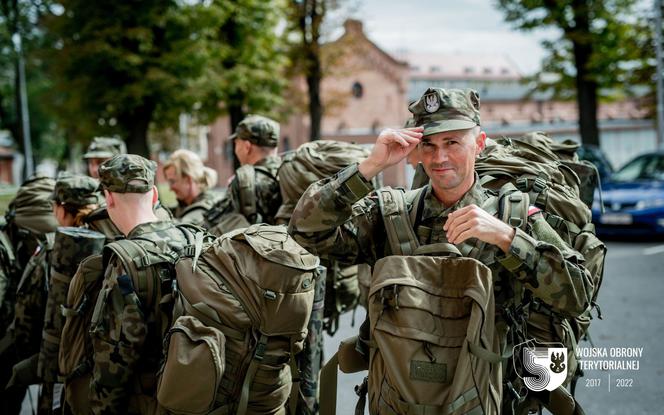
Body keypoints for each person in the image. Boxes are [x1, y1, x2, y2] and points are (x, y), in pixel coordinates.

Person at [288, 88, 594, 413]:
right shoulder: (393, 215)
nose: (439, 158)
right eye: (429, 146)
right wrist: (370, 166)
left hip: (491, 399)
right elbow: (305, 233)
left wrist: (508, 239)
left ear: (478, 143)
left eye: (452, 143)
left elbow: (577, 297)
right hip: (400, 400)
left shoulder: (512, 217)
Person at [88, 154, 201, 414]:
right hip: (198, 391)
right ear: (153, 195)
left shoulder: (124, 261)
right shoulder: (193, 238)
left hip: (150, 400)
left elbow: (116, 361)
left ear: (109, 199)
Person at [9, 172, 100, 414]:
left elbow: (25, 318)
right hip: (104, 373)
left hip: (60, 370)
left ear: (60, 209)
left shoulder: (52, 251)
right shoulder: (115, 242)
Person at [205, 114, 282, 233]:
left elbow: (212, 224)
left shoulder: (245, 181)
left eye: (236, 143)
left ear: (247, 147)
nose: (235, 148)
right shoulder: (290, 173)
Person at [163, 149, 221, 226]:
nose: (170, 188)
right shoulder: (185, 205)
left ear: (188, 180)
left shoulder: (206, 209)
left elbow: (183, 229)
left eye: (172, 182)